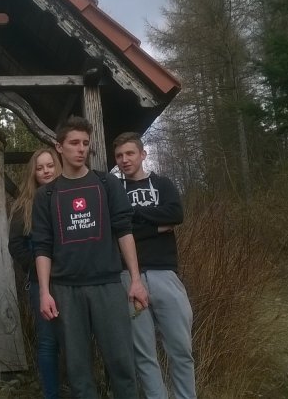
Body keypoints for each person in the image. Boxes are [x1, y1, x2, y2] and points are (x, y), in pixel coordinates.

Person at [32, 116, 149, 399]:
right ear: (59, 147)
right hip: (66, 289)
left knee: (122, 364)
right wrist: (45, 292)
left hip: (107, 285)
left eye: (85, 143)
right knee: (78, 371)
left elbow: (124, 230)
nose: (81, 148)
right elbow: (42, 247)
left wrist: (135, 280)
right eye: (74, 143)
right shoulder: (47, 195)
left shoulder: (106, 183)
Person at [113, 132, 195, 399]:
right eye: (119, 156)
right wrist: (156, 227)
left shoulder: (162, 184)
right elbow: (115, 229)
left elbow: (175, 214)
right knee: (144, 354)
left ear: (142, 154)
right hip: (129, 278)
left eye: (130, 153)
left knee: (181, 349)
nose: (125, 160)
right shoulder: (115, 190)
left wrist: (134, 216)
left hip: (165, 274)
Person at [8, 147, 62, 399]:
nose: (46, 171)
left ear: (57, 167)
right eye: (39, 168)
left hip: (72, 279)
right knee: (48, 341)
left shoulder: (69, 195)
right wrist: (37, 265)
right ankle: (51, 394)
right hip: (40, 283)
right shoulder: (24, 205)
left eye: (50, 166)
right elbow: (15, 244)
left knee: (75, 339)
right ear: (33, 173)